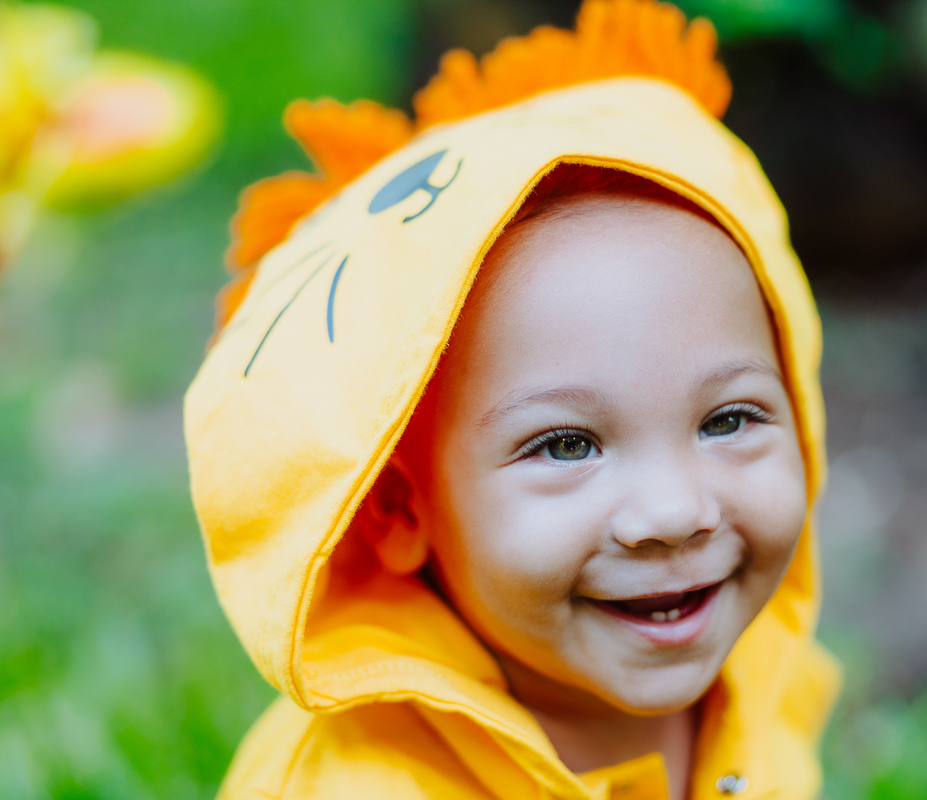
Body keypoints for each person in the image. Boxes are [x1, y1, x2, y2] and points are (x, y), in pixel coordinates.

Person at [184, 1, 841, 797]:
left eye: (727, 420)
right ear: (397, 507)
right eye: (567, 445)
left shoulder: (767, 678)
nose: (673, 512)